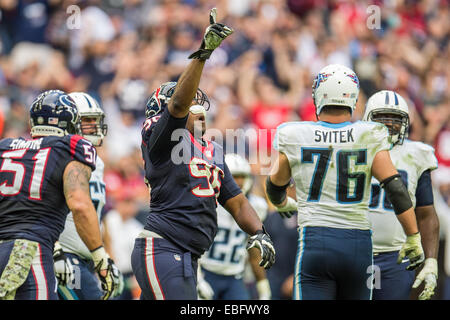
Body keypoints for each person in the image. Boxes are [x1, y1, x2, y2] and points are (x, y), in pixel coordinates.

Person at [131, 8, 275, 300]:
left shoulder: (211, 150)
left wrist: (259, 232)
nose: (198, 111)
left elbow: (235, 201)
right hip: (163, 248)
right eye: (189, 106)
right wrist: (203, 54)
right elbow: (177, 107)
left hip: (188, 255)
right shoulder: (161, 138)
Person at [266, 64, 425, 300]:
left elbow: (275, 185)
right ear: (353, 97)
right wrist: (412, 235)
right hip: (358, 246)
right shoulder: (369, 134)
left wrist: (282, 203)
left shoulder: (294, 133)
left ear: (318, 95)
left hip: (316, 242)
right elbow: (395, 187)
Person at [0, 90, 115, 300]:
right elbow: (79, 204)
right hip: (29, 252)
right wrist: (101, 257)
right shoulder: (71, 147)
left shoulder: (6, 147)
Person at [363, 90, 440, 300]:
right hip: (354, 251)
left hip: (397, 255)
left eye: (395, 119)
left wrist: (431, 261)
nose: (388, 125)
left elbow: (426, 212)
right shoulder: (353, 149)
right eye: (382, 118)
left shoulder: (416, 154)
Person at [55, 91, 123, 300]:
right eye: (87, 120)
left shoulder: (96, 161)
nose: (94, 125)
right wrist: (54, 249)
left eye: (96, 120)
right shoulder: (58, 156)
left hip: (85, 257)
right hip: (63, 256)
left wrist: (105, 259)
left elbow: (96, 217)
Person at [198, 153, 272, 300]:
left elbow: (253, 248)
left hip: (235, 277)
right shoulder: (207, 204)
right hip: (207, 271)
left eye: (242, 177)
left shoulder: (257, 206)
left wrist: (263, 285)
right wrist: (198, 278)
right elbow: (192, 244)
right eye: (234, 177)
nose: (238, 182)